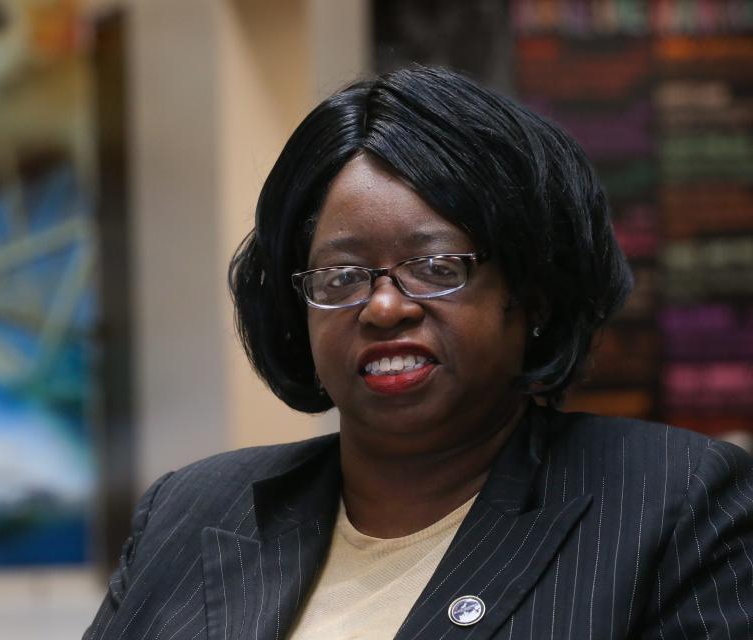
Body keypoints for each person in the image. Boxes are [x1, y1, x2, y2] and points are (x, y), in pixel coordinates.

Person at [84, 66, 753, 640]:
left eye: (435, 267)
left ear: (533, 293)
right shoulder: (193, 508)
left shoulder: (678, 504)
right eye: (341, 277)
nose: (383, 308)